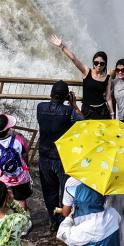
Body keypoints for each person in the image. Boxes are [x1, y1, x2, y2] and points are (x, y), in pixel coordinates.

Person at [37, 80, 83, 228]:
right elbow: (83, 123)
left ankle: (53, 220)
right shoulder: (69, 112)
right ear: (66, 97)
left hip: (44, 155)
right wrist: (73, 105)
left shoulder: (40, 107)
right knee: (66, 191)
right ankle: (65, 220)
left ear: (51, 94)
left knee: (49, 191)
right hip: (61, 157)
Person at [50, 36, 113, 120]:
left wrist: (112, 114)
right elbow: (73, 58)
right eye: (96, 62)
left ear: (105, 64)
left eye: (101, 64)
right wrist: (61, 46)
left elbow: (108, 98)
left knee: (101, 133)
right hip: (87, 110)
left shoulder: (107, 78)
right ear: (93, 62)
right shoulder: (86, 71)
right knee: (86, 132)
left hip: (102, 111)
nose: (98, 65)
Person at [0, 115, 32, 210]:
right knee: (21, 199)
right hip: (20, 176)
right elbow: (25, 155)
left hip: (3, 178)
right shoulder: (18, 139)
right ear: (8, 129)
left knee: (2, 199)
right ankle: (24, 221)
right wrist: (26, 167)